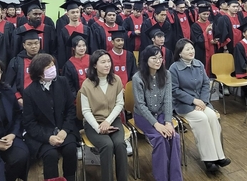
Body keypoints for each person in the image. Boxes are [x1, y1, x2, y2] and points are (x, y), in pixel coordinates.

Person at [169, 38, 231, 172]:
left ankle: (219, 156)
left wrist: (202, 101)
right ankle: (209, 159)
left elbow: (205, 84)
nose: (191, 51)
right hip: (184, 104)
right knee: (202, 119)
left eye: (192, 48)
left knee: (212, 117)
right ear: (180, 53)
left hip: (202, 103)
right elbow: (174, 90)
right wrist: (193, 101)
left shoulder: (199, 64)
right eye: (187, 49)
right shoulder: (174, 68)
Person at [23, 53, 79, 181]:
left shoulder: (62, 81)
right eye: (48, 67)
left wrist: (65, 130)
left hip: (64, 128)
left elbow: (71, 109)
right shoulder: (29, 92)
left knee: (70, 149)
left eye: (53, 65)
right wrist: (49, 137)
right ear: (39, 72)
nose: (52, 68)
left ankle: (70, 178)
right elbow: (30, 123)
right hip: (44, 133)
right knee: (51, 154)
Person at [133, 45, 182, 181]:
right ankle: (162, 178)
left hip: (161, 114)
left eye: (160, 58)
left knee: (174, 136)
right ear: (145, 60)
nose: (158, 61)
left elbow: (168, 100)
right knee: (160, 139)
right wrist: (156, 125)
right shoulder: (138, 78)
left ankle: (176, 177)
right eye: (154, 58)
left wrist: (167, 122)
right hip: (143, 116)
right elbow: (140, 105)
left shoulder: (166, 74)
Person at [80, 50, 128, 181]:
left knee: (120, 144)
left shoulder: (116, 80)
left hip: (113, 120)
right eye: (103, 62)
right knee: (107, 145)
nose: (107, 65)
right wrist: (98, 127)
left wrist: (108, 121)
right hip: (93, 123)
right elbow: (85, 111)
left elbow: (119, 104)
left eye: (109, 62)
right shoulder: (87, 84)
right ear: (95, 65)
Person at [6, 29, 43, 107]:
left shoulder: (47, 60)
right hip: (22, 102)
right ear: (24, 45)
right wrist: (18, 98)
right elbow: (9, 83)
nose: (33, 46)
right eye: (29, 44)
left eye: (36, 43)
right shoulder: (16, 61)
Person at [57, 0, 94, 65]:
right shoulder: (64, 31)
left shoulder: (87, 29)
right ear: (68, 14)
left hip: (86, 63)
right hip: (70, 63)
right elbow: (61, 51)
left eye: (77, 12)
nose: (75, 14)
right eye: (73, 12)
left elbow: (91, 47)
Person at [62, 32, 91, 97]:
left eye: (84, 45)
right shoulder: (69, 64)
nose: (82, 48)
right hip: (78, 97)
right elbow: (69, 85)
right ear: (73, 48)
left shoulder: (91, 59)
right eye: (79, 46)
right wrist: (76, 97)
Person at [191, 6, 216, 76]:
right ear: (199, 14)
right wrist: (206, 31)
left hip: (212, 49)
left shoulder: (211, 23)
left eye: (207, 14)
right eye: (204, 14)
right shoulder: (195, 26)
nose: (206, 16)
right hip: (201, 51)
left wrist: (215, 41)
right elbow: (198, 40)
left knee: (213, 67)